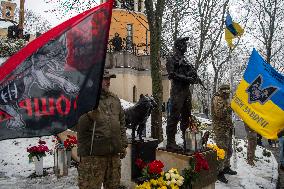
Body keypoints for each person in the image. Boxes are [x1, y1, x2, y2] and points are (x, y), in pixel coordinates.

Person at [77, 70, 128, 189]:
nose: (108, 82)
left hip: (113, 156)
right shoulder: (85, 99)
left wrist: (123, 144)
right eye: (105, 79)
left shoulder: (115, 99)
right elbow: (75, 125)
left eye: (109, 79)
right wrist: (88, 116)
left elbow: (121, 123)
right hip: (93, 157)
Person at [165, 37, 199, 151]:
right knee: (174, 116)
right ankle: (170, 142)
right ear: (178, 45)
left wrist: (194, 77)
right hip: (177, 91)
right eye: (184, 44)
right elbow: (172, 75)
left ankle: (186, 141)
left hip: (186, 91)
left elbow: (192, 76)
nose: (186, 46)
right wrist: (187, 78)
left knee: (186, 116)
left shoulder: (186, 61)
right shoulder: (171, 58)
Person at [211, 84, 237, 183]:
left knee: (229, 150)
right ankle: (219, 172)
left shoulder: (225, 99)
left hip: (227, 128)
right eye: (225, 92)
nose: (227, 94)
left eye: (228, 92)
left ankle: (226, 167)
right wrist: (229, 107)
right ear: (221, 91)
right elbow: (220, 114)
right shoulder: (217, 99)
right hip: (220, 129)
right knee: (222, 151)